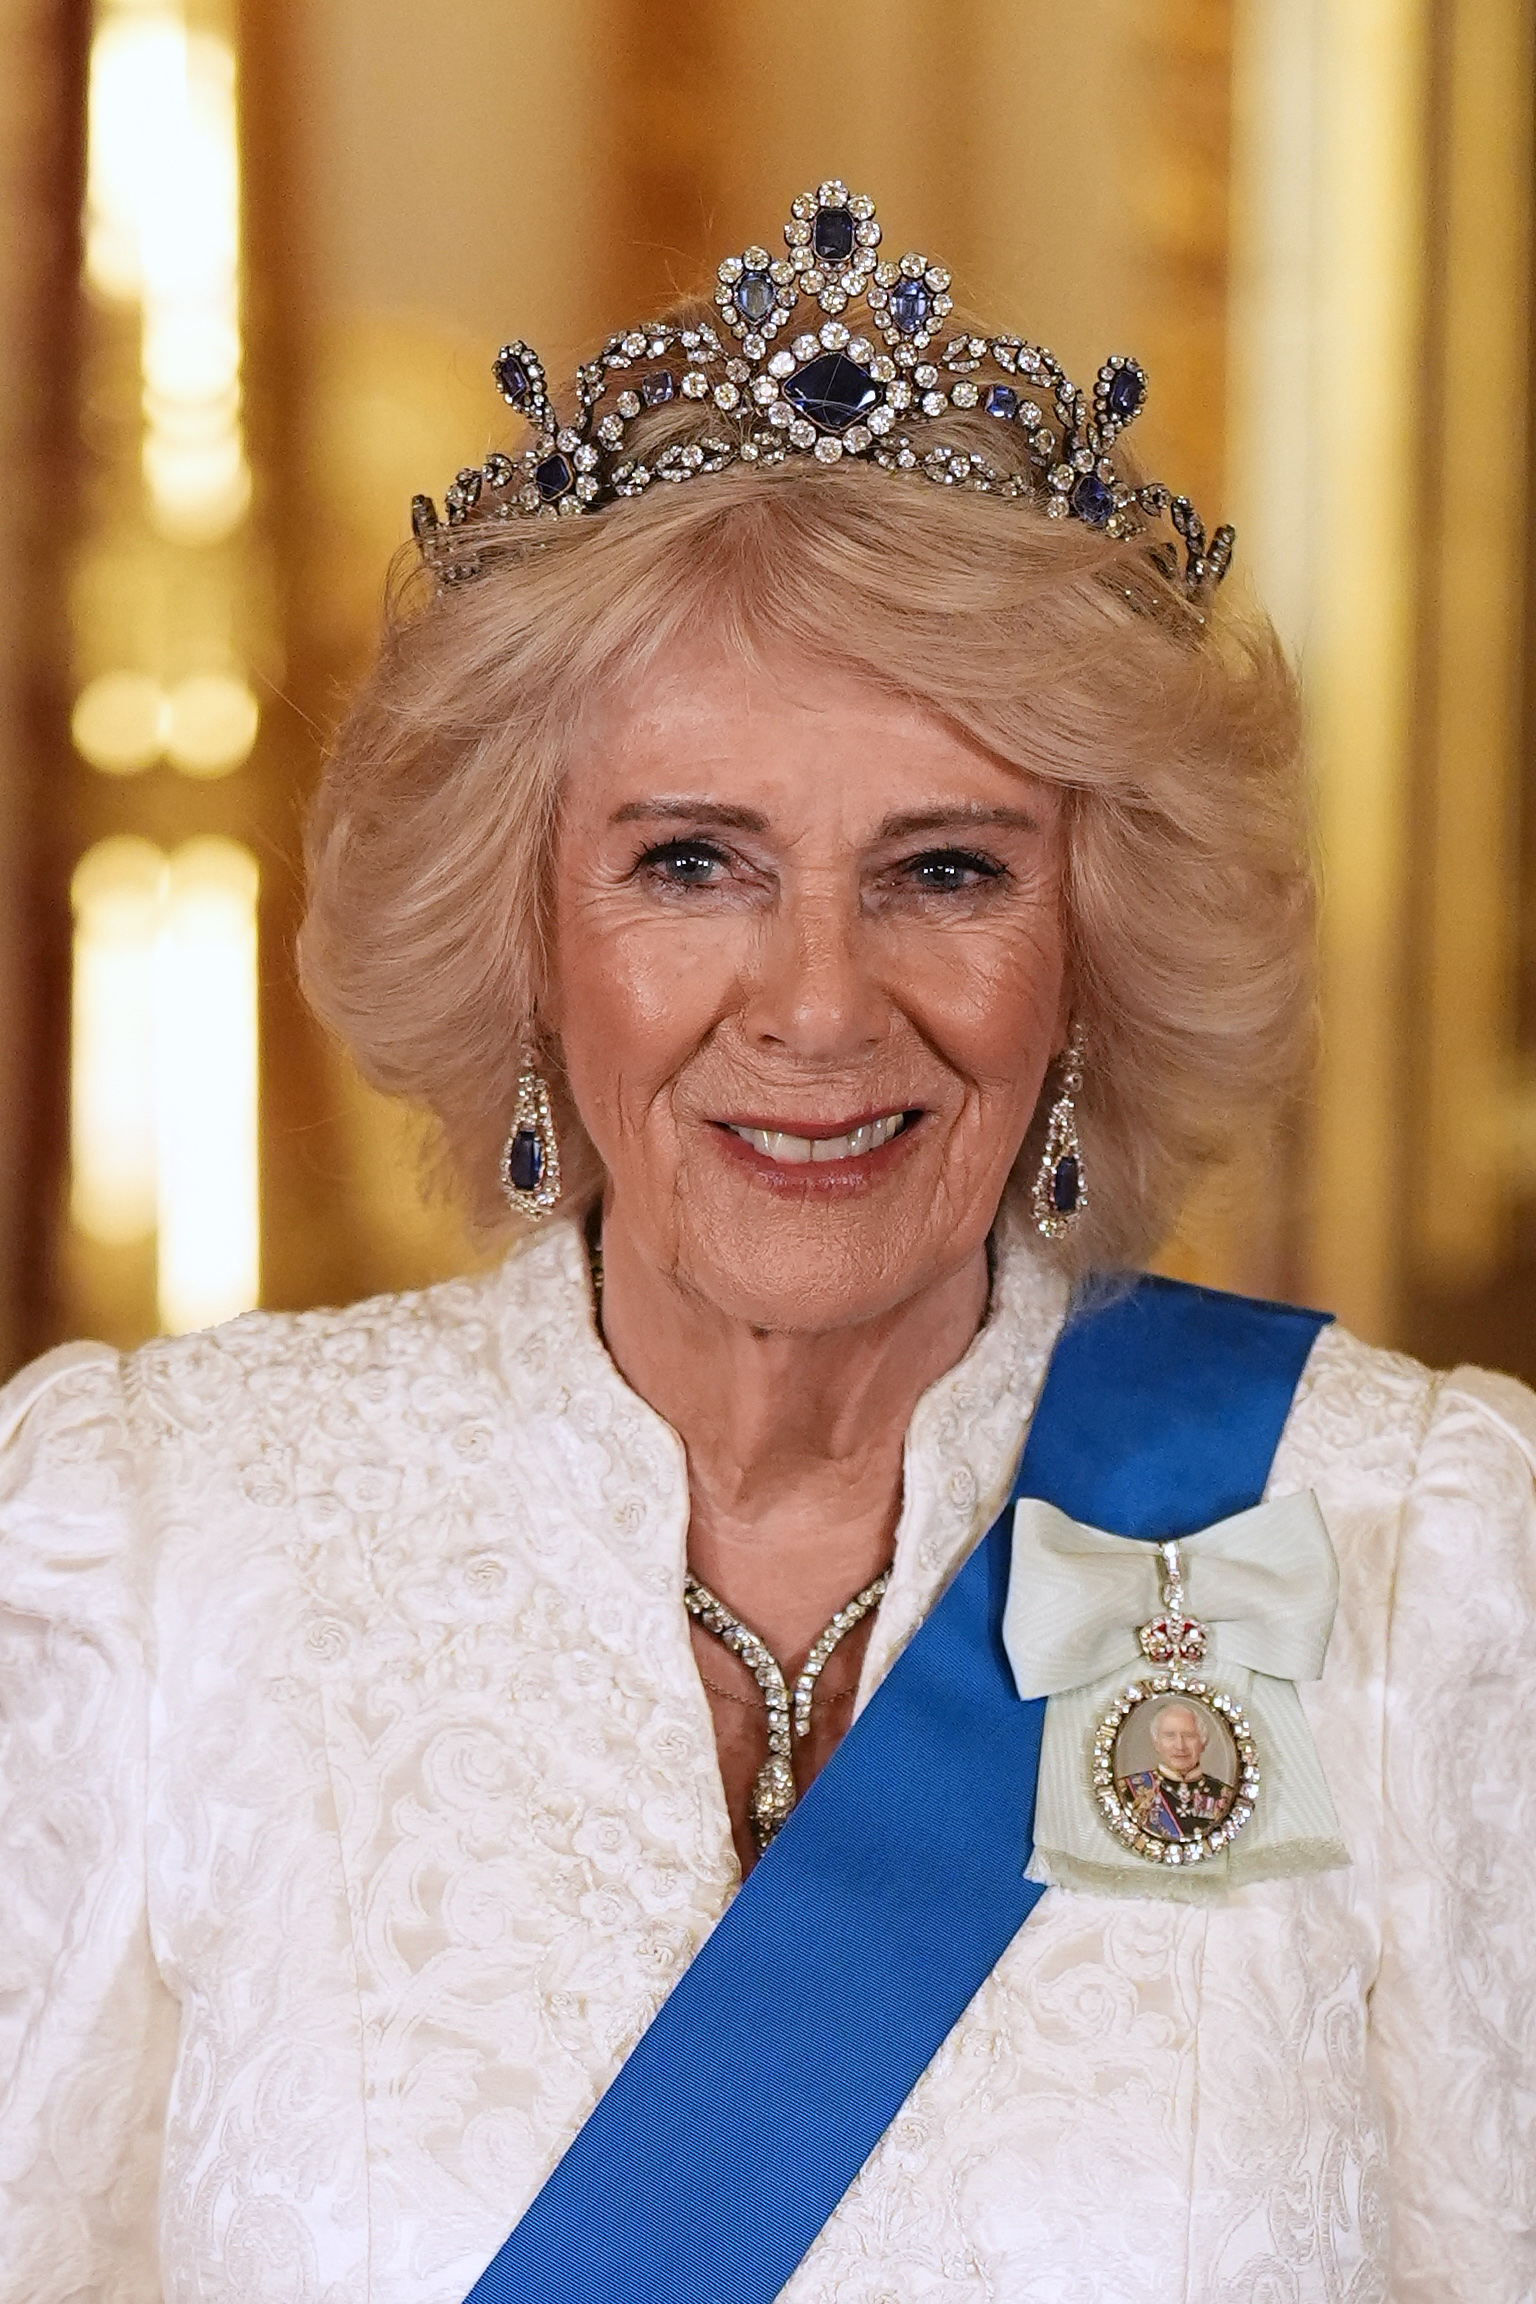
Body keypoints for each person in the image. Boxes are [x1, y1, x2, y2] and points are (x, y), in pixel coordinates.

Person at [3, 178, 1534, 2304]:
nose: (818, 1006)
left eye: (947, 872)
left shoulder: (1404, 1546)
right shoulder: (158, 1550)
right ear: (527, 928)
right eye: (696, 862)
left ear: (1093, 949)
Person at [1116, 1699, 1233, 1841]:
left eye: (1189, 1736)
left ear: (1203, 1741)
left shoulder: (1225, 1796)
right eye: (1170, 1735)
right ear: (1156, 1743)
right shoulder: (1128, 1791)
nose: (1180, 1746)